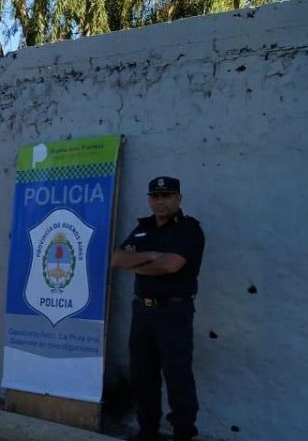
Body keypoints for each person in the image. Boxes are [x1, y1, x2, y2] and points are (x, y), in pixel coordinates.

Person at [111, 176, 205, 441]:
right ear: (150, 199)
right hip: (143, 312)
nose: (161, 202)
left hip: (174, 313)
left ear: (178, 199)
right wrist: (153, 255)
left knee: (178, 376)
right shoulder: (143, 228)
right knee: (143, 374)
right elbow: (117, 258)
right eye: (156, 197)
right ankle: (148, 431)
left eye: (167, 196)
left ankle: (183, 434)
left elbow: (171, 265)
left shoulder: (188, 229)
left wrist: (139, 263)